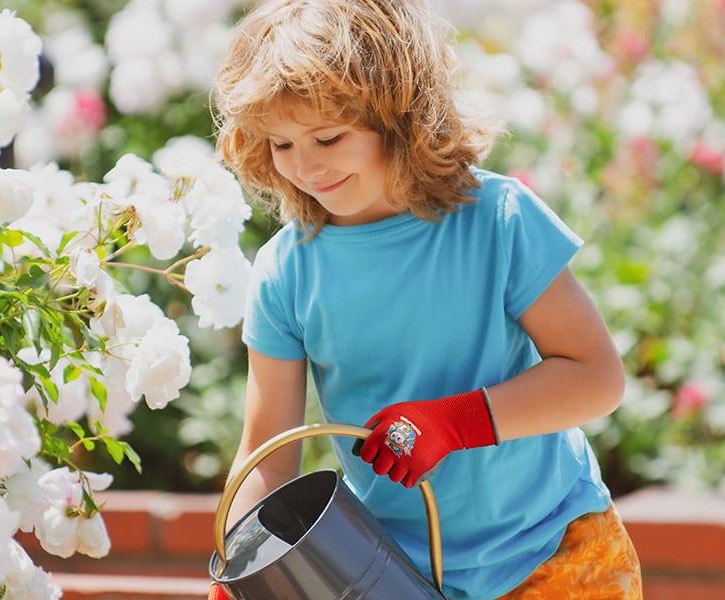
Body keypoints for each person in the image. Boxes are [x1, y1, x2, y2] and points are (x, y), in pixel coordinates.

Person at [207, 1, 642, 599]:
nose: (305, 166)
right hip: (392, 576)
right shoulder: (288, 270)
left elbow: (596, 377)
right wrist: (242, 568)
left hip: (556, 553)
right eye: (281, 145)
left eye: (328, 137)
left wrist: (455, 422)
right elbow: (267, 457)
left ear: (399, 116)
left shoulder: (497, 220)